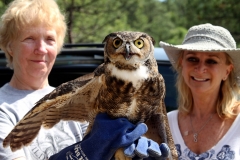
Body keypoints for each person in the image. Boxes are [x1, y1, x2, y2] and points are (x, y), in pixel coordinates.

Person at [0, 0, 169, 160]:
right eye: (29, 38)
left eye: (50, 39)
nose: (41, 49)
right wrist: (88, 150)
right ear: (9, 45)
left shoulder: (83, 93)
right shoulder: (3, 108)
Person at [160, 23, 240, 159]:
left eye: (211, 61)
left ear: (227, 71)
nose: (200, 68)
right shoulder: (165, 123)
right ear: (182, 65)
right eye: (192, 59)